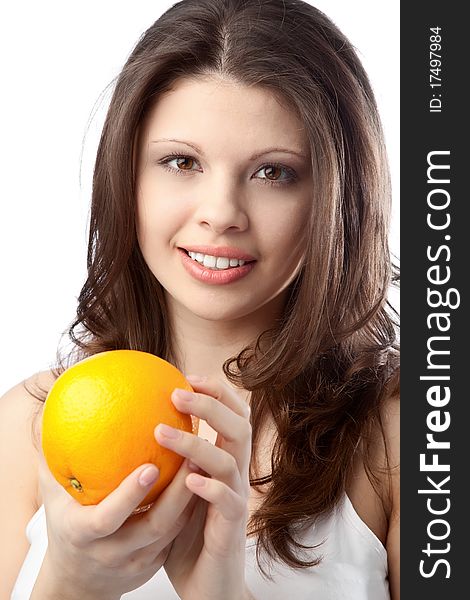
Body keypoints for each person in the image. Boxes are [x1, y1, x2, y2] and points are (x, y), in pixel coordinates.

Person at [0, 0, 400, 598]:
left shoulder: (401, 435)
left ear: (340, 197)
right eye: (181, 161)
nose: (220, 214)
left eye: (274, 173)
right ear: (127, 175)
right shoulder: (28, 422)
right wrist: (71, 584)